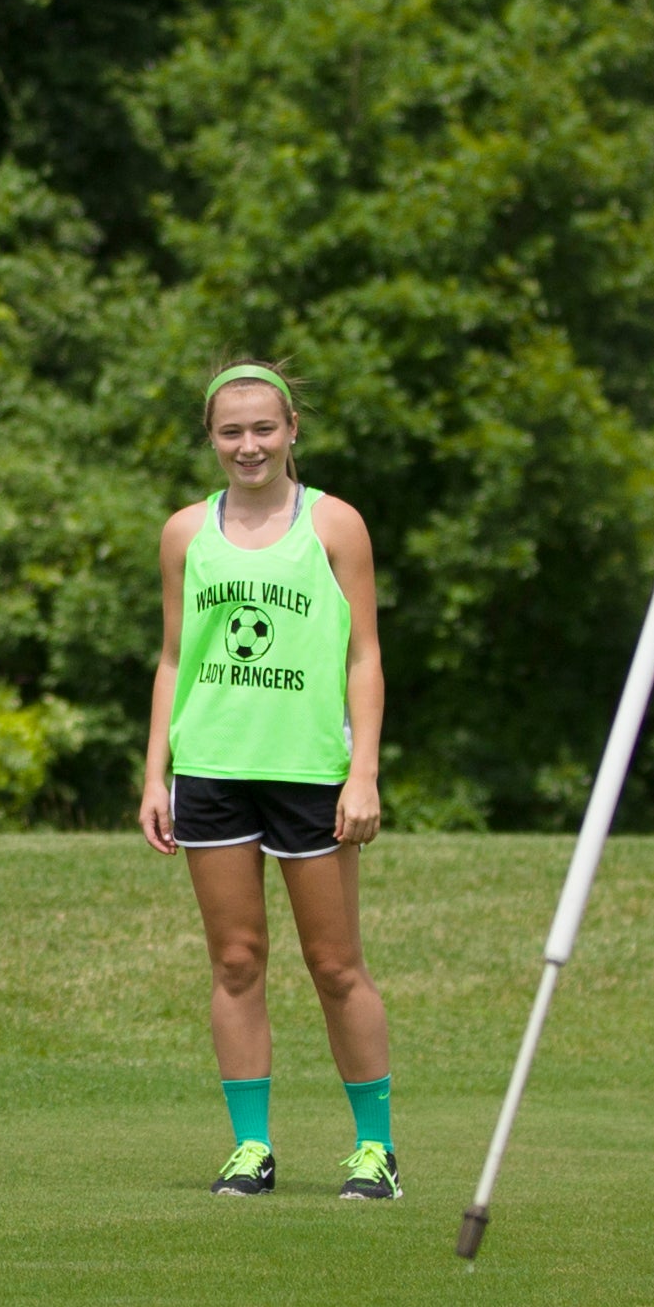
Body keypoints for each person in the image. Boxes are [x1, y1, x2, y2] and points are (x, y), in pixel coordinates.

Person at [135, 363, 398, 1202]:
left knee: (335, 965)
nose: (248, 446)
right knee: (237, 961)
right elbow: (175, 659)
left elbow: (365, 656)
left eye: (263, 429)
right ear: (211, 439)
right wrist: (157, 774)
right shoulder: (185, 532)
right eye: (230, 432)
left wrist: (363, 773)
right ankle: (251, 1147)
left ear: (291, 430)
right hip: (211, 768)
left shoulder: (335, 525)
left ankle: (375, 1151)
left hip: (311, 770)